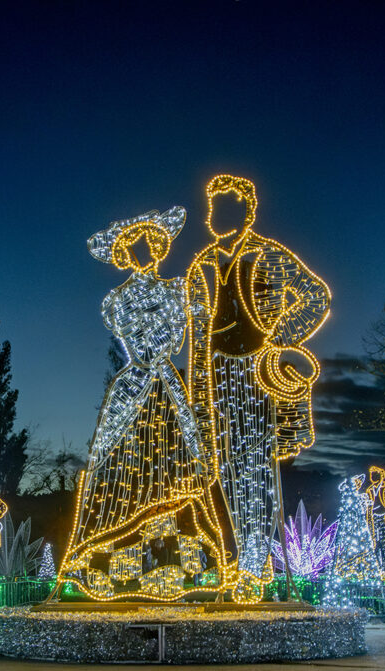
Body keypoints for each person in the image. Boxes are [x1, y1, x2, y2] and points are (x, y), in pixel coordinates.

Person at [57, 206, 233, 601]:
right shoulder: (117, 300)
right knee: (117, 466)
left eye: (150, 244)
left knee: (179, 467)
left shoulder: (175, 291)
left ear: (158, 248)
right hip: (136, 383)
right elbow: (143, 344)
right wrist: (156, 341)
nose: (144, 252)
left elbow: (174, 341)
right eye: (134, 247)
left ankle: (185, 559)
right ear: (124, 255)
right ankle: (106, 557)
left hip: (166, 385)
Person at [185, 174, 331, 578]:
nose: (217, 216)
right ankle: (238, 549)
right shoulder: (201, 266)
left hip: (258, 372)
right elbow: (197, 337)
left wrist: (279, 338)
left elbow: (315, 295)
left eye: (227, 208)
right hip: (218, 374)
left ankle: (256, 552)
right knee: (227, 466)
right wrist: (198, 394)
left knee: (258, 464)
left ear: (247, 212)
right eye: (214, 208)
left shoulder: (269, 256)